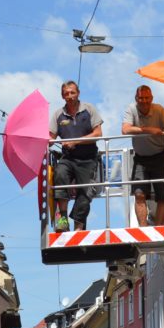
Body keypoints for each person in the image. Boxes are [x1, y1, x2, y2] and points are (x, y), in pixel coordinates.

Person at [49, 80, 103, 232]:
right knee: (59, 174)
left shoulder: (89, 109)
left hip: (88, 158)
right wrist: (46, 141)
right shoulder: (58, 115)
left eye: (72, 92)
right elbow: (51, 137)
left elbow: (98, 133)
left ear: (78, 93)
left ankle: (78, 226)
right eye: (66, 93)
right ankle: (63, 220)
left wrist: (75, 142)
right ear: (62, 96)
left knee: (86, 192)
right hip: (68, 158)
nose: (70, 96)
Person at [122, 85, 164, 226]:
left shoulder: (159, 110)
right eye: (141, 98)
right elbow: (125, 129)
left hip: (160, 157)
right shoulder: (131, 109)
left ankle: (158, 228)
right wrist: (148, 130)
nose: (144, 101)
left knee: (163, 196)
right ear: (136, 99)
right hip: (141, 158)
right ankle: (144, 229)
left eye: (147, 97)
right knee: (139, 194)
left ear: (151, 98)